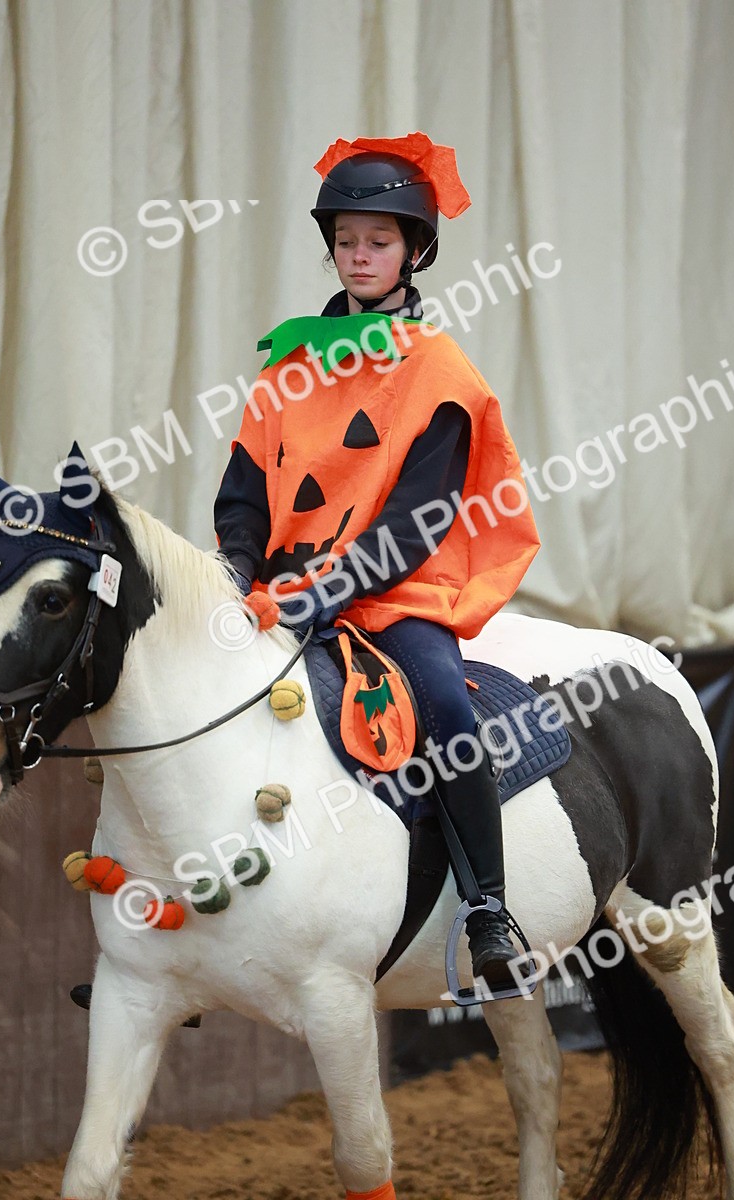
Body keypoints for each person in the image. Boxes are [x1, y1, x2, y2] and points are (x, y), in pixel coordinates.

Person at [214, 133, 541, 988]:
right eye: (347, 240)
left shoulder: (439, 369)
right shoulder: (287, 362)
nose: (360, 256)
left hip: (393, 596)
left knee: (445, 704)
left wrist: (327, 592)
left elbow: (417, 521)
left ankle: (488, 910)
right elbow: (243, 494)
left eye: (380, 241)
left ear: (414, 250)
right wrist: (235, 576)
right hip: (279, 593)